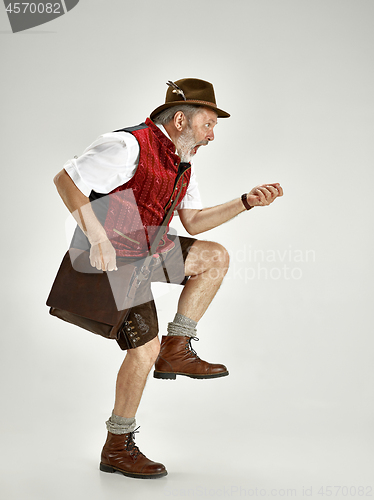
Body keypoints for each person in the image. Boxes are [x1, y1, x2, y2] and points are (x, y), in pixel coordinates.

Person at [53, 78, 283, 479]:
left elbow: (192, 221)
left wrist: (246, 202)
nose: (212, 136)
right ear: (181, 119)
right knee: (142, 352)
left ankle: (176, 347)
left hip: (146, 250)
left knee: (214, 256)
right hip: (111, 258)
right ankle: (117, 446)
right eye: (208, 125)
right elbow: (65, 180)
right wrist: (97, 235)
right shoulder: (127, 145)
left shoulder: (183, 163)